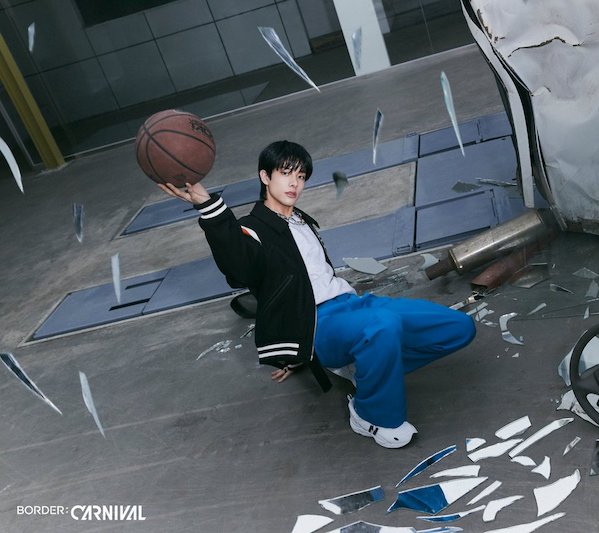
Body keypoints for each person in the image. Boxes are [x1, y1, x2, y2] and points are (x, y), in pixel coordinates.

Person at [159, 140, 476, 448]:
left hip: (354, 305)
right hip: (317, 323)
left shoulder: (301, 220)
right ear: (265, 176)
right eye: (285, 173)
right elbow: (238, 265)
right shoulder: (252, 229)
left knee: (458, 327)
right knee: (382, 326)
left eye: (300, 176)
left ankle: (368, 370)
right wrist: (209, 206)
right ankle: (369, 415)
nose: (294, 183)